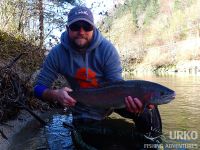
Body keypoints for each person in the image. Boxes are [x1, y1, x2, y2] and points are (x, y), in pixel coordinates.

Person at [34, 6, 162, 139]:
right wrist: (55, 95)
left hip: (114, 99)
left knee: (148, 109)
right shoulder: (57, 54)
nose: (81, 31)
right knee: (91, 137)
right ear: (67, 29)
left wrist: (134, 104)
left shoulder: (107, 50)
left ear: (93, 28)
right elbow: (37, 89)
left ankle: (151, 142)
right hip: (83, 104)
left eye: (87, 27)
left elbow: (117, 86)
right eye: (75, 26)